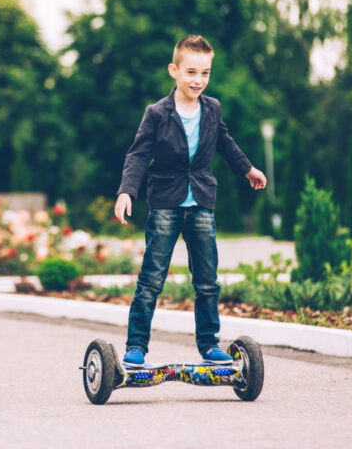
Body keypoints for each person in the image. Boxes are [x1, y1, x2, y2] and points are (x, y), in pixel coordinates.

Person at [114, 35, 266, 367]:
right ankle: (136, 345)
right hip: (165, 202)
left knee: (207, 280)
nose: (198, 80)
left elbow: (225, 143)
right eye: (191, 72)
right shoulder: (156, 113)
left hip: (201, 201)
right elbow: (138, 154)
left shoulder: (212, 108)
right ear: (175, 70)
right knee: (152, 278)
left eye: (205, 73)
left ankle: (209, 344)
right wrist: (127, 191)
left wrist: (248, 169)